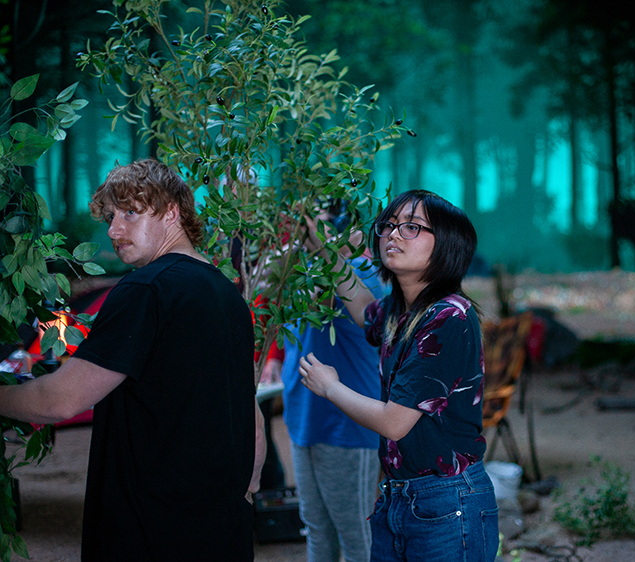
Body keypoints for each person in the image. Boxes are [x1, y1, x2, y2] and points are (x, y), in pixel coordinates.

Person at [0, 158, 265, 561]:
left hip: (152, 531)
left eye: (130, 212)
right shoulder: (225, 292)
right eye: (110, 217)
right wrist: (249, 487)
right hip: (220, 530)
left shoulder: (146, 289)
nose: (114, 230)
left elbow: (61, 400)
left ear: (172, 212)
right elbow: (251, 407)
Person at [299, 190, 499, 562]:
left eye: (411, 227)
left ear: (447, 245)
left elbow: (394, 423)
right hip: (399, 495)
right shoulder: (402, 309)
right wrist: (327, 250)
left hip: (447, 500)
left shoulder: (448, 318)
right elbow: (363, 311)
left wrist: (330, 387)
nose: (392, 234)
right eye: (389, 225)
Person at [261, 199, 385, 562]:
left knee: (356, 535)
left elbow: (361, 312)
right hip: (303, 421)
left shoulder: (361, 275)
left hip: (347, 426)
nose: (309, 235)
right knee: (315, 528)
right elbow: (266, 284)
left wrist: (324, 250)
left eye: (317, 226)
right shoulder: (302, 273)